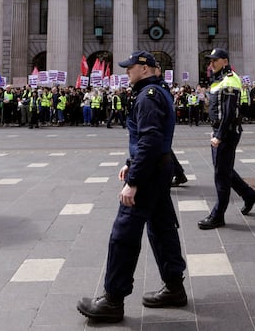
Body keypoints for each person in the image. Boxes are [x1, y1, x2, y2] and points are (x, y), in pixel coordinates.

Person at [77, 51, 186, 323]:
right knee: (162, 227)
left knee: (124, 232)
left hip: (149, 173)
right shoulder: (158, 92)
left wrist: (133, 181)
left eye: (130, 68)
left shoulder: (147, 96)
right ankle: (174, 286)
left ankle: (113, 299)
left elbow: (149, 139)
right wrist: (131, 161)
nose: (126, 72)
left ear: (145, 69)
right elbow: (150, 139)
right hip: (158, 167)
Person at [198, 48, 255, 230]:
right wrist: (215, 130)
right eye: (210, 61)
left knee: (221, 175)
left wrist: (219, 135)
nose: (211, 64)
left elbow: (228, 113)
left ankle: (218, 215)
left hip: (228, 132)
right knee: (224, 169)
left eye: (214, 61)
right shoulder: (219, 80)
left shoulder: (230, 79)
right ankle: (249, 195)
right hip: (221, 130)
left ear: (225, 61)